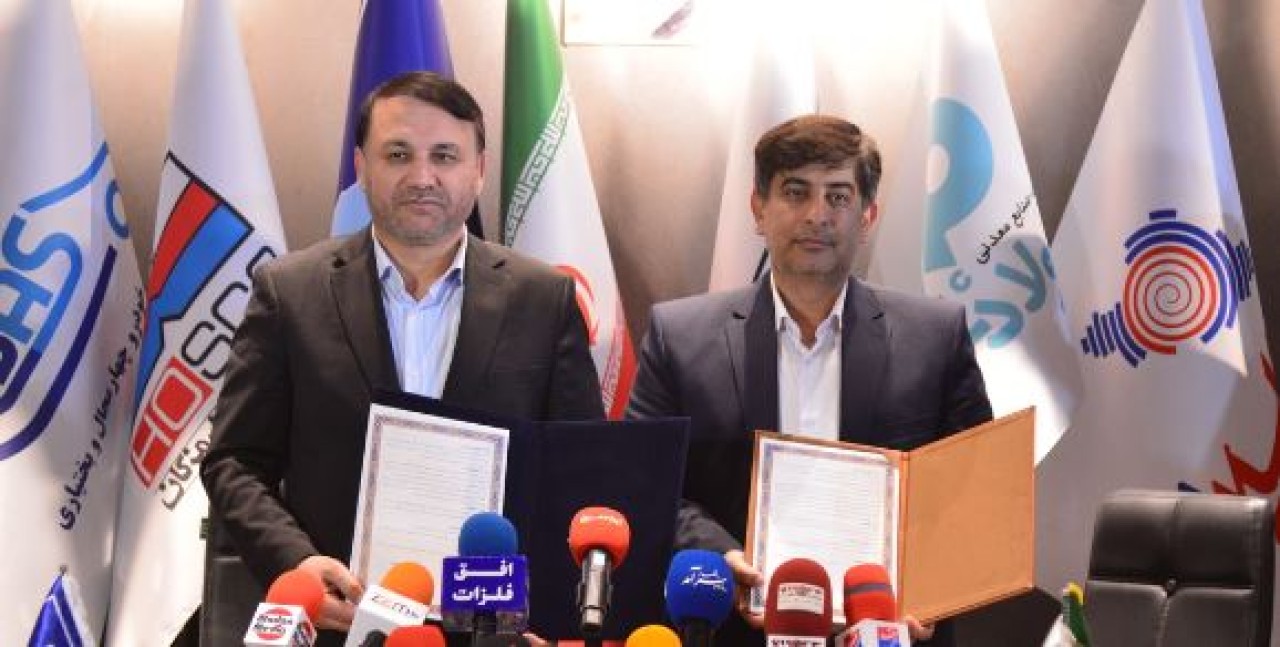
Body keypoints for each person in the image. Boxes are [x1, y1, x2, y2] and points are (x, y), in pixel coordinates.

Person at [201, 72, 604, 641]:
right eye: (398, 154)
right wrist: (296, 563)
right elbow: (234, 462)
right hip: (340, 621)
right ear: (362, 167)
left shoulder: (545, 299)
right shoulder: (289, 293)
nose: (421, 177)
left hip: (494, 630)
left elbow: (581, 473)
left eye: (445, 155)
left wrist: (552, 617)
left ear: (479, 169)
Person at [625, 115, 993, 646]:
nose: (817, 215)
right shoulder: (679, 337)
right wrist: (719, 553)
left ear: (868, 216)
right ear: (758, 209)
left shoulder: (935, 337)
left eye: (838, 196)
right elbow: (646, 484)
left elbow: (972, 492)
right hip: (733, 630)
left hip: (889, 632)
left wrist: (930, 589)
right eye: (795, 192)